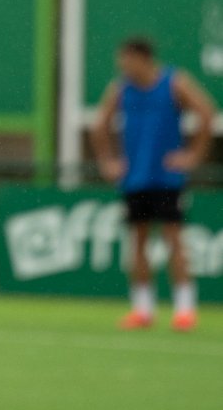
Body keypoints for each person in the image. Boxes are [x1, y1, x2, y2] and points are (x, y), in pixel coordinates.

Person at [91, 36, 215, 331]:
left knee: (175, 241)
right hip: (135, 179)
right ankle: (142, 309)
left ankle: (185, 309)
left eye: (127, 59)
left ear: (143, 58)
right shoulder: (120, 89)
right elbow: (100, 125)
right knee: (139, 243)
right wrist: (108, 160)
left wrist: (193, 156)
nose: (122, 66)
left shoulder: (174, 82)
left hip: (167, 177)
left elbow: (206, 112)